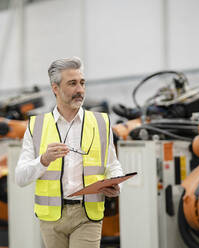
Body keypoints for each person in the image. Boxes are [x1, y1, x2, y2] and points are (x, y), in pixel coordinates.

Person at [15, 57, 123, 248]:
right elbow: (20, 177)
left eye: (82, 83)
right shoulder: (36, 126)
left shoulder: (101, 123)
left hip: (87, 214)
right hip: (51, 218)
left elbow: (112, 164)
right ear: (55, 88)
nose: (80, 90)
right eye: (72, 84)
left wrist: (116, 183)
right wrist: (43, 160)